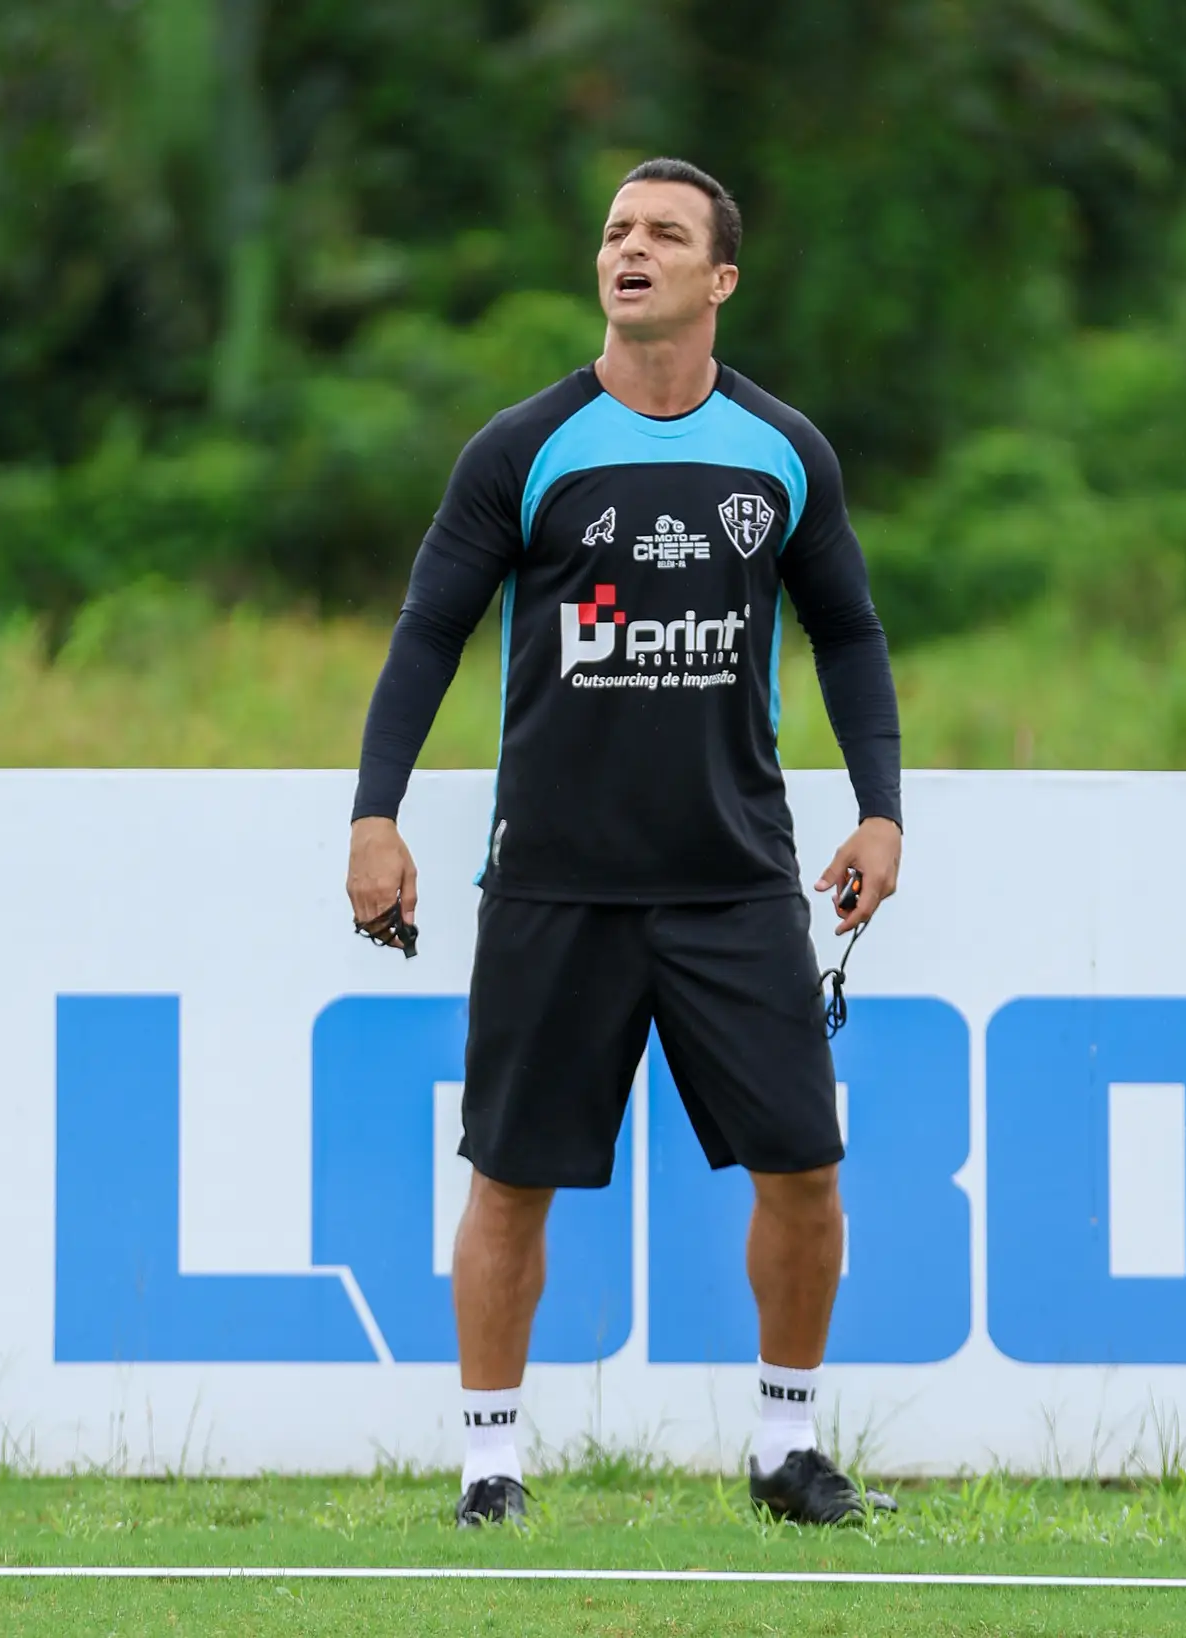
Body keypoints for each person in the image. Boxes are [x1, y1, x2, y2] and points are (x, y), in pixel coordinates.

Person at [346, 158, 904, 1528]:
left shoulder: (783, 452)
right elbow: (427, 631)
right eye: (612, 232)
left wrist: (881, 808)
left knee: (805, 1171)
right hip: (553, 883)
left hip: (733, 885)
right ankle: (488, 1468)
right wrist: (375, 813)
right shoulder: (523, 448)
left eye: (661, 233)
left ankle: (785, 1450)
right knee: (509, 1181)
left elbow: (847, 632)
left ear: (719, 278)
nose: (628, 249)